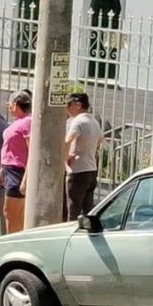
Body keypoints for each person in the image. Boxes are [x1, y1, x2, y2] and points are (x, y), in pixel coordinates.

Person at [0, 91, 32, 234]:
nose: (8, 107)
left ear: (15, 104)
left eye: (10, 104)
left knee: (12, 212)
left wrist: (25, 178)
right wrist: (2, 170)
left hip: (18, 172)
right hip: (10, 171)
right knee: (12, 212)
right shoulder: (18, 122)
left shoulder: (27, 122)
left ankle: (13, 243)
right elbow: (10, 149)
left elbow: (32, 151)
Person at [64, 93, 103, 221]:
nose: (66, 108)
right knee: (87, 209)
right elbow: (100, 140)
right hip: (91, 170)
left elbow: (67, 140)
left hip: (77, 170)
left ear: (78, 105)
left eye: (68, 105)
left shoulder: (78, 121)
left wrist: (65, 157)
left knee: (73, 209)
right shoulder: (94, 122)